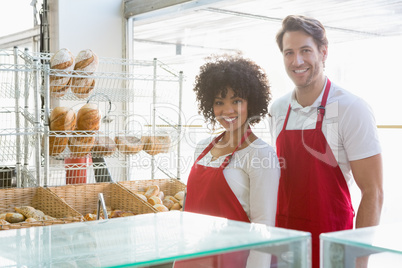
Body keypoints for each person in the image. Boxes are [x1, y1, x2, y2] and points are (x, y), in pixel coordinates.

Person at [269, 15, 384, 268]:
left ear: (323, 52)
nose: (297, 61)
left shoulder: (351, 108)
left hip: (333, 247)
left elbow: (373, 192)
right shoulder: (277, 109)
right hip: (285, 245)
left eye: (305, 51)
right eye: (289, 53)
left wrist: (358, 260)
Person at [175, 53, 280, 268]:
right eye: (219, 102)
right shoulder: (202, 147)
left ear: (251, 103)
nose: (227, 110)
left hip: (232, 262)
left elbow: (263, 227)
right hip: (193, 259)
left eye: (237, 101)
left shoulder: (260, 154)